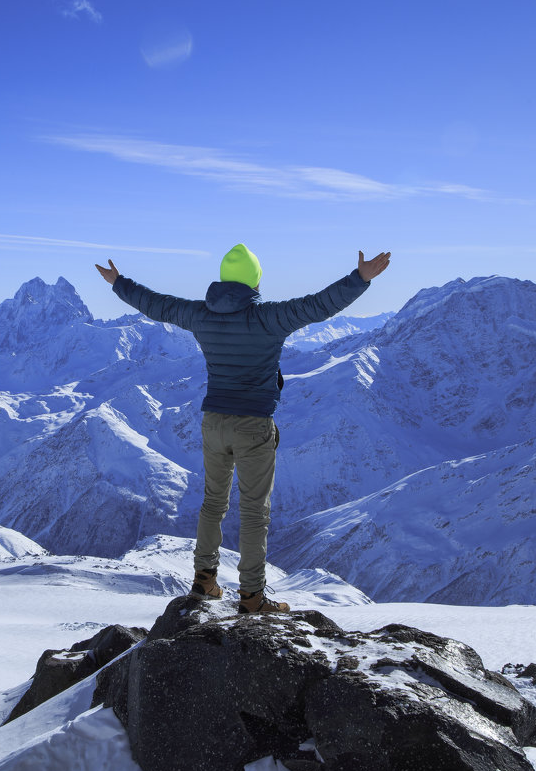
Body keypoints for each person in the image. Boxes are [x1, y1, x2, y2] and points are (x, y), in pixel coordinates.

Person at [95, 243, 391, 613]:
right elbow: (318, 305)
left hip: (213, 421)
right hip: (254, 425)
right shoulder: (268, 318)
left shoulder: (200, 315)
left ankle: (204, 582)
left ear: (223, 278)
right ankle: (252, 598)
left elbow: (158, 305)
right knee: (254, 512)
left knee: (212, 503)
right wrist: (359, 279)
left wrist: (119, 282)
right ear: (254, 280)